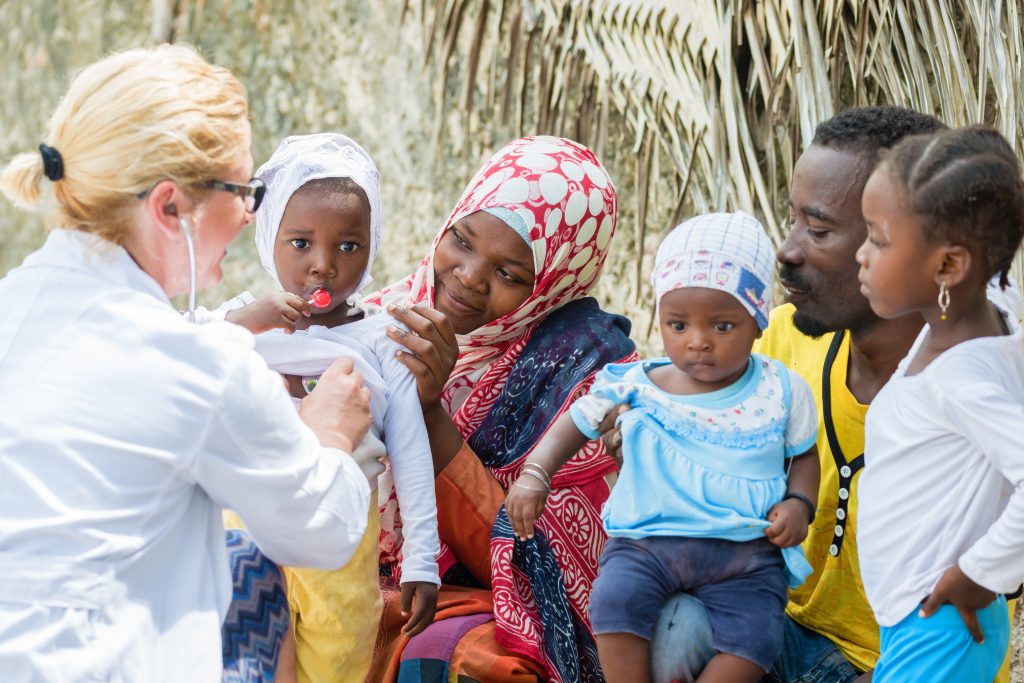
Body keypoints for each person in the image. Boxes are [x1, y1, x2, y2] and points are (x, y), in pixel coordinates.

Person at [0, 45, 375, 683]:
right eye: (244, 190)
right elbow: (321, 532)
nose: (254, 213)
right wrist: (331, 435)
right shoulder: (197, 368)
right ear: (171, 207)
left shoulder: (14, 303)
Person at [624, 106, 957, 683]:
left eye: (819, 230)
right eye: (793, 220)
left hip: (900, 663)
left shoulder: (973, 391)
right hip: (769, 628)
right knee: (675, 623)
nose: (787, 250)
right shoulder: (774, 342)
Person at [505, 212, 821, 683]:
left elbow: (804, 456)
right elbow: (574, 424)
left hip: (747, 553)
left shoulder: (780, 390)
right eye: (678, 324)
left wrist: (799, 503)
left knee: (756, 638)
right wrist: (535, 475)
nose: (697, 342)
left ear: (757, 320)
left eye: (721, 326)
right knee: (614, 602)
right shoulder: (636, 384)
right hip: (647, 544)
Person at [366, 135, 638, 682]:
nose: (467, 276)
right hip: (360, 573)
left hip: (474, 599)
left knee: (465, 661)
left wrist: (430, 411)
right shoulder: (379, 320)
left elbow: (542, 569)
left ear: (553, 284)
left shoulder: (587, 373)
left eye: (509, 274)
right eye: (462, 241)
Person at [211, 132, 440, 683]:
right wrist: (247, 322)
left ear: (372, 243)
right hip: (245, 521)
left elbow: (410, 450)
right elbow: (182, 355)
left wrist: (422, 560)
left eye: (348, 246)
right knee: (239, 653)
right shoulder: (242, 319)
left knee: (334, 661)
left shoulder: (384, 338)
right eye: (300, 243)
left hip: (341, 535)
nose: (323, 265)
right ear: (268, 238)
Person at [855, 125, 1024, 681]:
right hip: (920, 617)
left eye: (877, 240)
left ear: (949, 267)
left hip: (943, 624)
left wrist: (981, 570)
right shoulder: (986, 307)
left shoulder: (961, 380)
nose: (860, 255)